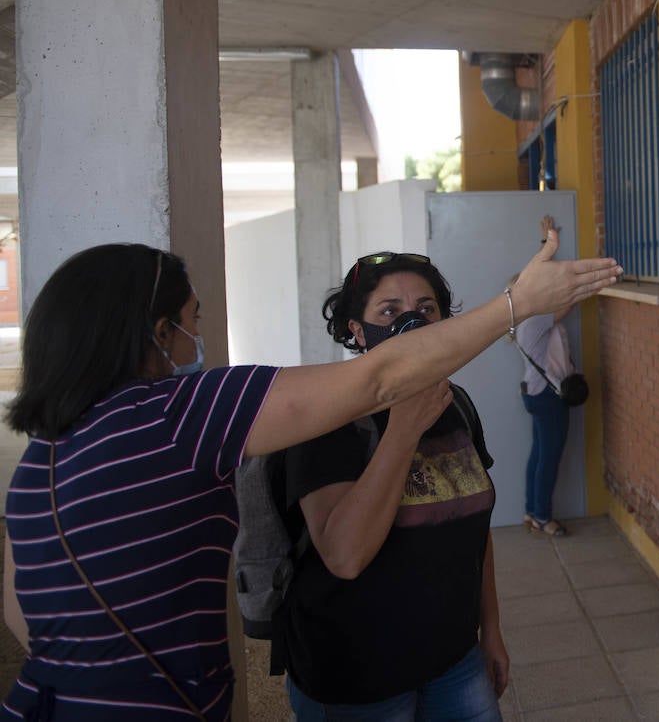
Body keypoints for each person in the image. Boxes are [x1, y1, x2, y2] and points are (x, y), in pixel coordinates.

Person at [1, 236, 618, 721]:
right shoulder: (182, 413)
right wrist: (518, 304)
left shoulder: (39, 465)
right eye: (192, 321)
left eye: (426, 309)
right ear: (158, 334)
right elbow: (378, 385)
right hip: (322, 679)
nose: (198, 339)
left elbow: (24, 614)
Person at [277, 252, 506, 720]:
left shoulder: (455, 402)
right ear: (357, 331)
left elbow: (472, 528)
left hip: (454, 659)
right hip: (357, 675)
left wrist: (491, 630)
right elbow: (344, 555)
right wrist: (403, 429)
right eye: (389, 311)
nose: (411, 322)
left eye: (426, 309)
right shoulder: (330, 417)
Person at [513, 216, 577, 538]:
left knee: (538, 454)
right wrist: (547, 245)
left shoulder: (524, 322)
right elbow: (565, 295)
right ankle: (542, 516)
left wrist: (546, 244)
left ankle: (530, 511)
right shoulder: (535, 320)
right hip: (548, 395)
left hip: (535, 393)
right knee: (548, 457)